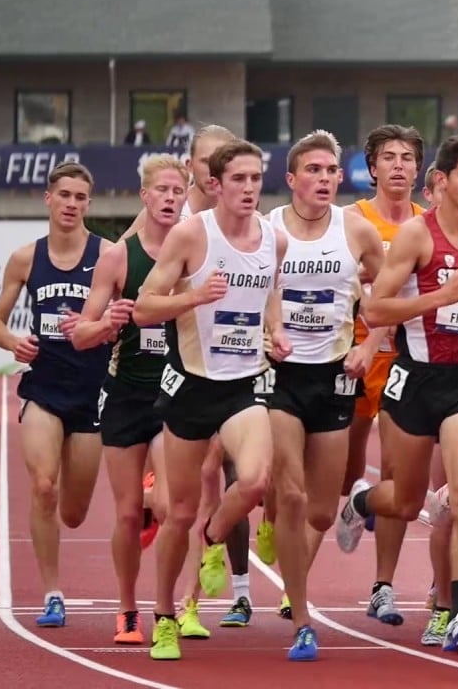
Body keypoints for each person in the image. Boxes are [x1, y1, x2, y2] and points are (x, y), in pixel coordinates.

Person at [341, 134, 458, 653]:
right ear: (441, 181)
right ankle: (360, 501)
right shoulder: (417, 235)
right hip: (414, 379)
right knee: (409, 498)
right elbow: (374, 311)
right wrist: (439, 296)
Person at [133, 139, 291, 661]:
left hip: (244, 384)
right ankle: (162, 618)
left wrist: (277, 329)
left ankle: (216, 534)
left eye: (255, 179)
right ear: (216, 186)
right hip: (191, 385)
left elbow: (270, 292)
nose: (249, 189)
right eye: (239, 180)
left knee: (255, 480)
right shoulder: (190, 234)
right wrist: (193, 297)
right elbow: (143, 309)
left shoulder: (275, 239)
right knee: (177, 513)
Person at [260, 131, 387, 660]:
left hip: (335, 374)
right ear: (291, 180)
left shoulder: (356, 230)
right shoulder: (267, 230)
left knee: (316, 510)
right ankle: (303, 617)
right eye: (312, 170)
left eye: (331, 170)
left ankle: (293, 542)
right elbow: (254, 290)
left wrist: (369, 345)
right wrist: (269, 331)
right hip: (281, 376)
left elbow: (384, 301)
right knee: (288, 495)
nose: (323, 178)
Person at [0, 161, 113, 629]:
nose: (72, 204)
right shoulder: (25, 258)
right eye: (65, 195)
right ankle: (52, 593)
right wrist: (12, 341)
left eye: (81, 197)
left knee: (75, 513)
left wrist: (105, 328)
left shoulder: (107, 255)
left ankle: (62, 521)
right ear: (48, 198)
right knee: (43, 487)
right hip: (43, 386)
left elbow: (128, 312)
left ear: (88, 203)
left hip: (91, 390)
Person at [70, 156, 187, 645]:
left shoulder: (196, 248)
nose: (169, 199)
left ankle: (165, 606)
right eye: (161, 190)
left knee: (169, 506)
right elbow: (82, 334)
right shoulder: (120, 256)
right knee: (124, 513)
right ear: (145, 196)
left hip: (175, 391)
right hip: (125, 393)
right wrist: (110, 323)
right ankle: (127, 608)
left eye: (177, 191)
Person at [332, 124, 425, 629]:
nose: (397, 165)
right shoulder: (349, 220)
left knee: (395, 472)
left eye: (406, 157)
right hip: (348, 356)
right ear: (371, 167)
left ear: (418, 168)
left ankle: (382, 587)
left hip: (401, 360)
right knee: (339, 475)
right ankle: (347, 505)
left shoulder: (429, 225)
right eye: (387, 156)